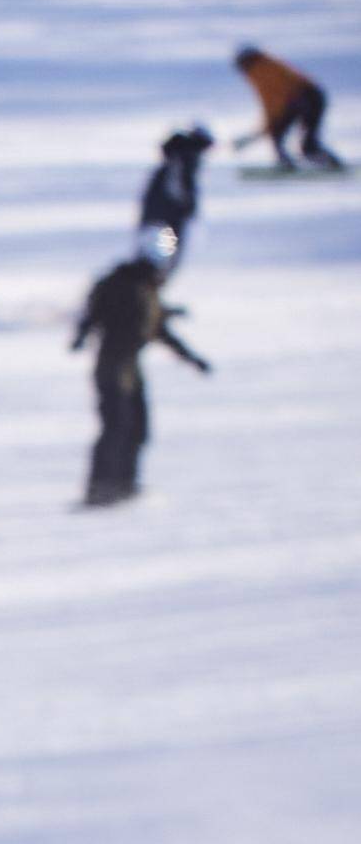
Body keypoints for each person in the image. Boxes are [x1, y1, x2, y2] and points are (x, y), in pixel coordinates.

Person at [70, 233, 209, 509]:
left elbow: (157, 328)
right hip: (112, 365)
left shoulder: (145, 289)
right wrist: (82, 334)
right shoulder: (121, 284)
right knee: (115, 426)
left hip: (130, 366)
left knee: (136, 427)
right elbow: (93, 312)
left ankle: (124, 485)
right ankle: (99, 489)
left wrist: (191, 358)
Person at [232, 46, 344, 170]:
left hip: (303, 99)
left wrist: (269, 125)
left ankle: (288, 163)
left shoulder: (259, 70)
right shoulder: (267, 64)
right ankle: (331, 163)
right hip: (311, 97)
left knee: (279, 133)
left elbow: (271, 101)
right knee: (306, 144)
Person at [140, 124, 215, 249]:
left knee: (160, 255)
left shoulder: (175, 160)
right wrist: (188, 208)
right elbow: (178, 192)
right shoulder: (184, 160)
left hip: (157, 217)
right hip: (166, 219)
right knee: (162, 257)